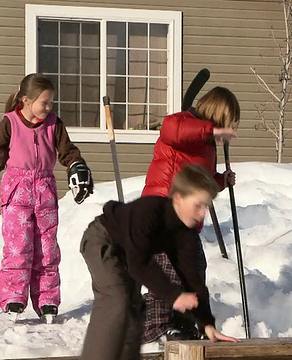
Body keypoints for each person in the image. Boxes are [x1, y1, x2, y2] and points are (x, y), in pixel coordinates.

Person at [80, 164, 239, 360]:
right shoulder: (148, 211)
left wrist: (206, 323)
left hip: (129, 251)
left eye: (206, 207)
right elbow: (139, 263)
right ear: (178, 198)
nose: (201, 214)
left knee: (133, 309)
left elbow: (193, 282)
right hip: (103, 240)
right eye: (198, 205)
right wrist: (173, 295)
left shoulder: (185, 235)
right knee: (116, 299)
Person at [0, 73, 93, 321]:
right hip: (16, 190)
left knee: (47, 250)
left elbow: (67, 151)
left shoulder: (54, 124)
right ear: (26, 100)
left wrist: (77, 166)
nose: (48, 108)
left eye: (51, 103)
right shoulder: (10, 123)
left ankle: (47, 300)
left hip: (45, 190)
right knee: (19, 247)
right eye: (44, 103)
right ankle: (14, 298)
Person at [141, 86, 240, 343]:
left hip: (185, 221)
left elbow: (200, 184)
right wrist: (212, 131)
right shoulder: (182, 122)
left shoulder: (207, 146)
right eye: (226, 125)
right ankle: (157, 326)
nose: (224, 133)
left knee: (194, 269)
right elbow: (171, 131)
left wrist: (220, 180)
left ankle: (184, 324)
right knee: (168, 271)